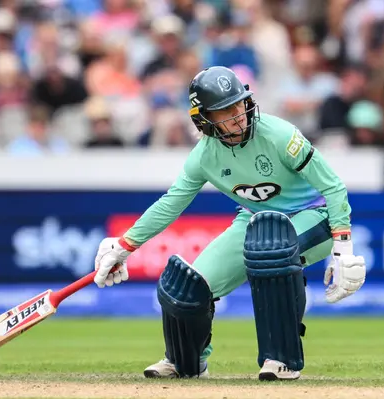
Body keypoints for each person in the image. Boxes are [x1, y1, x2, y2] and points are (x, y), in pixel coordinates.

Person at [92, 66, 366, 381]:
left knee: (271, 249)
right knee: (188, 286)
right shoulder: (203, 157)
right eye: (224, 110)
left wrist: (343, 249)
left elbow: (333, 186)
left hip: (316, 216)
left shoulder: (279, 135)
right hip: (254, 220)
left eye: (238, 104)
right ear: (203, 118)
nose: (237, 115)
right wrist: (124, 245)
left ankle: (282, 359)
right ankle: (186, 361)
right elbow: (171, 203)